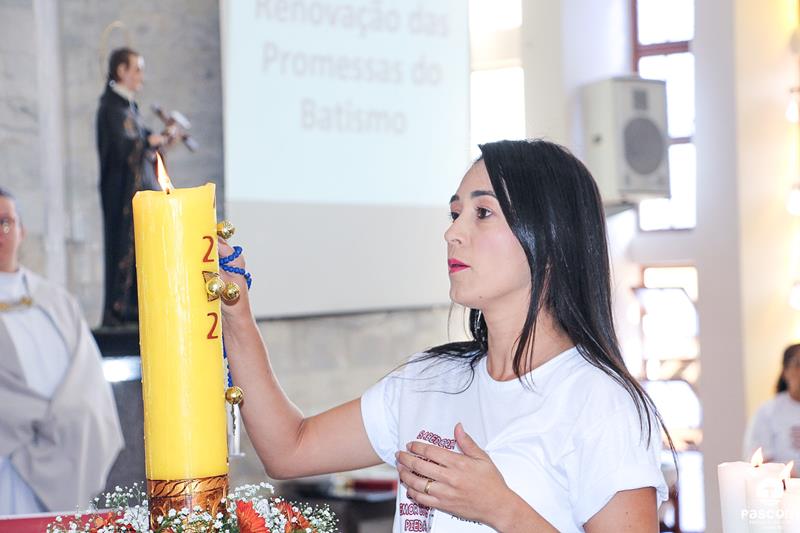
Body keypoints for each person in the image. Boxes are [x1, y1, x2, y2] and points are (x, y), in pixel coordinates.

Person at [218, 139, 670, 532]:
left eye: (483, 213)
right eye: (455, 214)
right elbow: (289, 449)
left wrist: (501, 508)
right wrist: (237, 311)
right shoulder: (429, 379)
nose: (453, 233)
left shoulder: (601, 403)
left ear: (550, 237)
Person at [0, 188, 124, 514]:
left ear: (22, 231)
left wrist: (65, 420)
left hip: (70, 446)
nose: (0, 232)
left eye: (6, 222)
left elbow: (88, 374)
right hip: (8, 460)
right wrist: (38, 420)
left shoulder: (56, 301)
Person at [96, 47, 175, 327]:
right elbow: (122, 147)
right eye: (137, 69)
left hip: (137, 193)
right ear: (121, 70)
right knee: (123, 250)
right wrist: (149, 141)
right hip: (121, 196)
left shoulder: (130, 108)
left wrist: (159, 142)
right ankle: (120, 309)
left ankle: (136, 307)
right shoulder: (111, 108)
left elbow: (141, 144)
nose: (142, 76)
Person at [743, 344, 800, 475]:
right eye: (798, 364)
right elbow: (759, 460)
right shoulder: (768, 412)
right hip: (783, 485)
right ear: (785, 371)